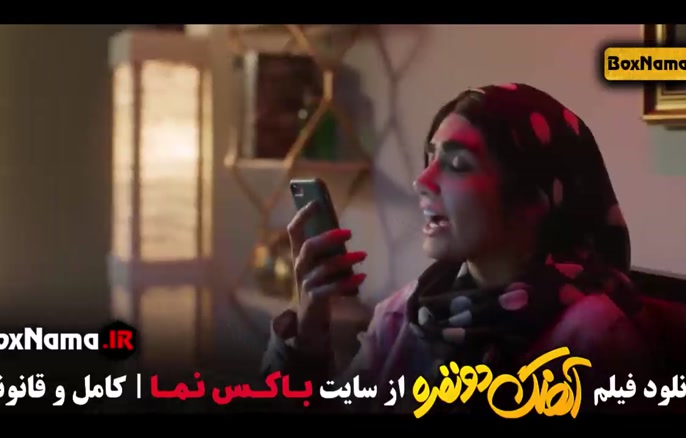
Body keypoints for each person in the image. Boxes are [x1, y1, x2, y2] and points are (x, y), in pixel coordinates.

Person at [262, 83, 653, 414]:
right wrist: (306, 337)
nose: (421, 181)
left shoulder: (593, 338)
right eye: (430, 158)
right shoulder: (405, 315)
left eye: (458, 164)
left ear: (534, 199)